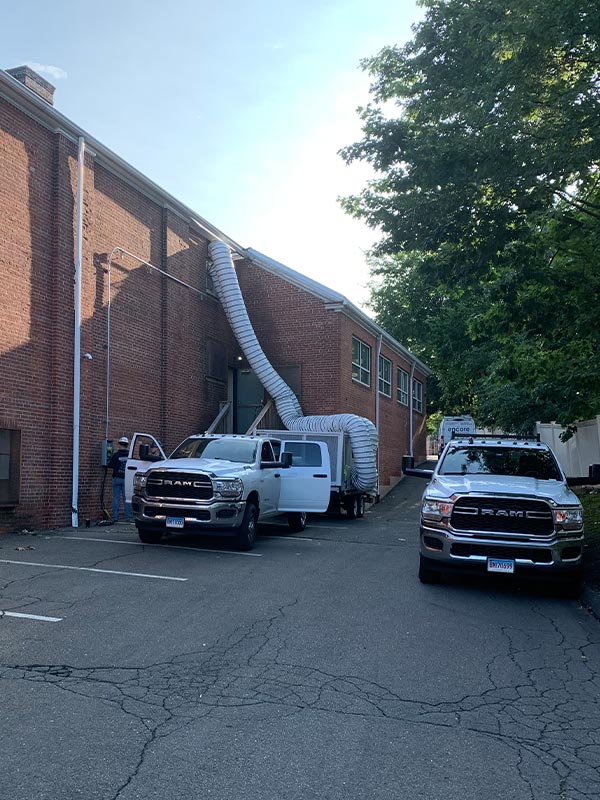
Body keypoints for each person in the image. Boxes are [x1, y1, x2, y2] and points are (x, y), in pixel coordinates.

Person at [109, 436, 131, 523]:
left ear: (119, 444)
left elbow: (110, 465)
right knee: (127, 499)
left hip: (116, 478)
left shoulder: (115, 455)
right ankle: (128, 517)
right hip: (126, 479)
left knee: (116, 498)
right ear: (127, 445)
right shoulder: (130, 456)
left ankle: (115, 517)